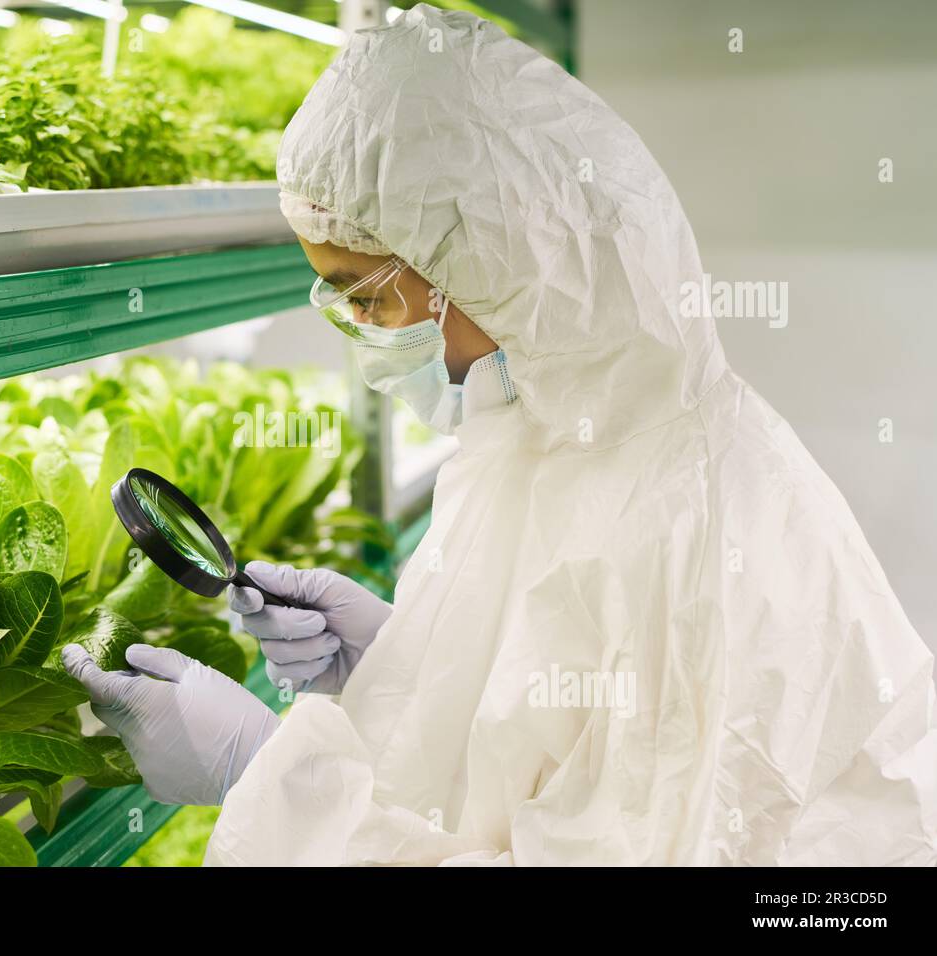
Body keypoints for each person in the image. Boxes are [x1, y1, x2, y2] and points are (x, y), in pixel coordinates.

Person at [63, 4, 937, 865]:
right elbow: (558, 751)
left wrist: (269, 782)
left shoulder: (689, 520)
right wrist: (415, 666)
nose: (359, 332)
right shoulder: (553, 433)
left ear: (489, 263)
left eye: (365, 296)